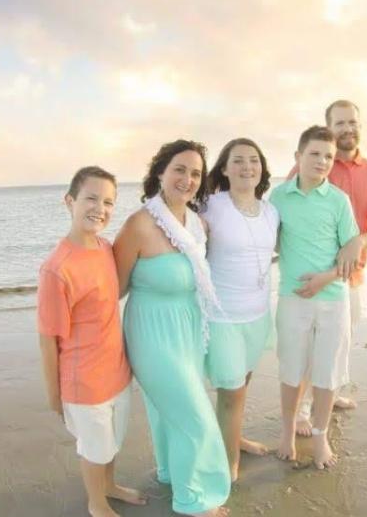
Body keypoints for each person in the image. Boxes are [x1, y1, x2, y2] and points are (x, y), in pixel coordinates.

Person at [113, 140, 230, 517]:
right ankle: (191, 499)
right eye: (179, 169)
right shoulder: (139, 225)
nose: (188, 179)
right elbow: (113, 290)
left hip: (189, 330)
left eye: (196, 173)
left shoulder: (196, 224)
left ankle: (169, 472)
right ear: (159, 172)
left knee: (168, 413)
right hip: (151, 334)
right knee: (195, 417)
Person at [37, 166, 147, 517]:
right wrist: (55, 395)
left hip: (117, 370)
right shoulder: (57, 268)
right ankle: (96, 503)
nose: (100, 208)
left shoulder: (104, 248)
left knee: (112, 441)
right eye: (91, 198)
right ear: (69, 201)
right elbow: (47, 339)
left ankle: (110, 486)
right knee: (94, 448)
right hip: (84, 382)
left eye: (108, 201)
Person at [292, 99, 367, 432]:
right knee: (311, 346)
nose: (348, 129)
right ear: (328, 128)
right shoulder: (316, 162)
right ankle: (302, 410)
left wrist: (358, 242)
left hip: (350, 276)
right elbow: (286, 208)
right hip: (311, 275)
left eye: (353, 122)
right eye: (340, 124)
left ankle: (327, 397)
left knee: (339, 342)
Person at [270, 126, 359, 469]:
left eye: (328, 156)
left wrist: (325, 278)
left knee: (328, 372)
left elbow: (351, 249)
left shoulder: (339, 201)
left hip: (334, 298)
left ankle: (321, 435)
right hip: (292, 299)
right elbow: (268, 241)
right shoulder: (278, 197)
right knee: (292, 369)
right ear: (297, 157)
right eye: (314, 154)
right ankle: (288, 431)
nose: (322, 161)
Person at [202, 138, 279, 482]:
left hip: (259, 315)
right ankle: (228, 461)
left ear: (262, 168)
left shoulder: (271, 210)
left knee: (241, 386)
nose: (247, 166)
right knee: (230, 391)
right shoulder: (210, 205)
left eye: (254, 160)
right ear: (224, 169)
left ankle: (232, 437)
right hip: (223, 317)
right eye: (238, 161)